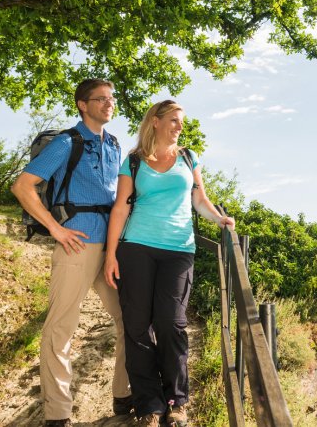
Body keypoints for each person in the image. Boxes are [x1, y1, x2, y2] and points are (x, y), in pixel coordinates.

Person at [103, 100, 235, 427]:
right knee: (136, 326)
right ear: (156, 121)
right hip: (136, 247)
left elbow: (199, 199)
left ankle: (176, 400)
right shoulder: (133, 161)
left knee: (171, 322)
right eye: (174, 120)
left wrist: (220, 219)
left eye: (181, 121)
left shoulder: (188, 158)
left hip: (178, 249)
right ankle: (150, 405)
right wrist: (110, 254)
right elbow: (120, 207)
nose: (179, 126)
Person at [11, 78, 131, 427]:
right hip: (76, 245)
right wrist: (55, 228)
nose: (109, 104)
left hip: (110, 248)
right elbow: (23, 186)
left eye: (111, 98)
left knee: (129, 320)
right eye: (100, 99)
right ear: (82, 104)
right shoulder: (66, 142)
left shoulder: (114, 145)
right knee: (60, 328)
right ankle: (58, 414)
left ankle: (123, 396)